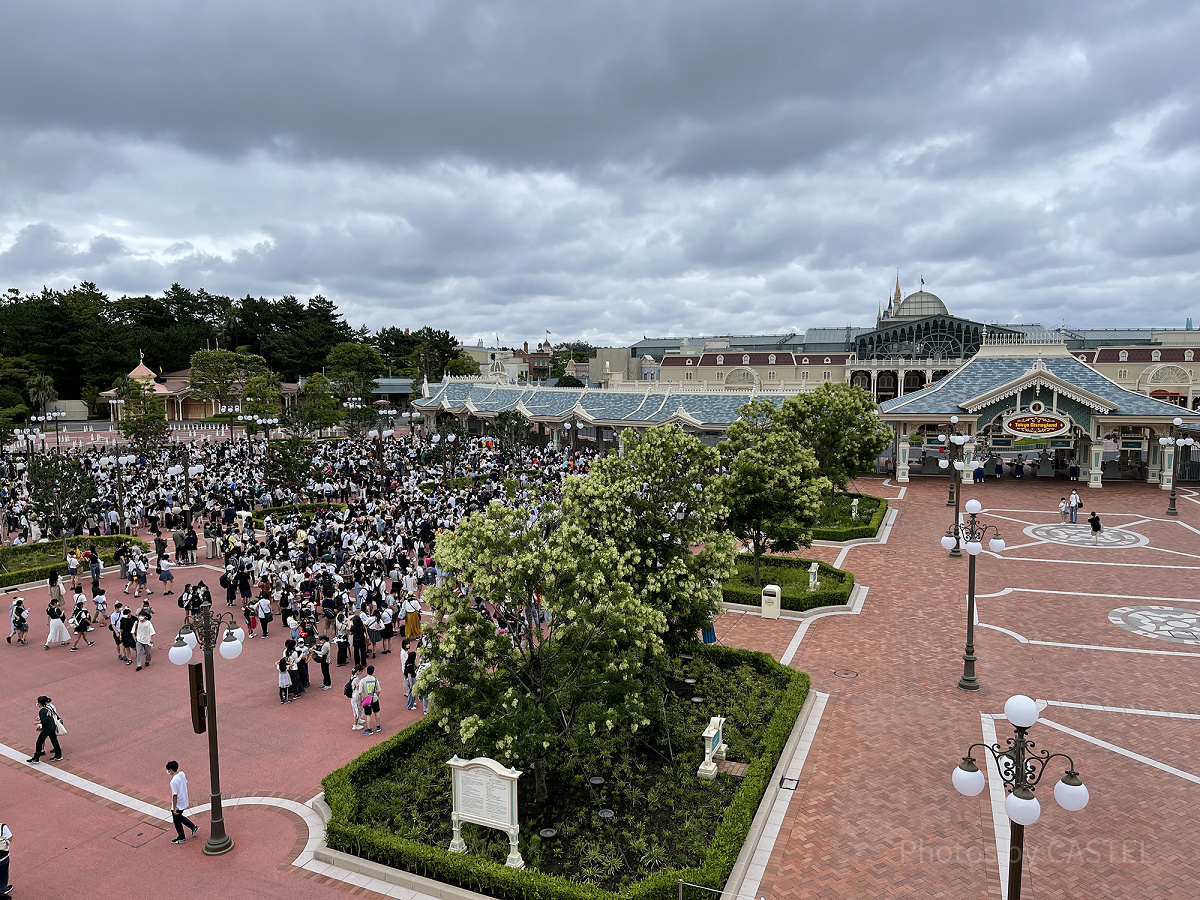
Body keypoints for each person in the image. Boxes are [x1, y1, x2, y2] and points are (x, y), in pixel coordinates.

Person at [165, 761, 198, 844]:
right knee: (179, 818)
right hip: (184, 799)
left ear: (170, 770)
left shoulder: (173, 782)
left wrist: (175, 808)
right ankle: (192, 827)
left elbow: (175, 795)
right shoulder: (182, 774)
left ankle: (182, 837)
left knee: (176, 820)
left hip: (178, 803)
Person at [26, 696, 63, 764]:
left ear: (40, 703)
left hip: (46, 729)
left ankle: (36, 758)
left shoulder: (42, 711)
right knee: (54, 741)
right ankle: (58, 755)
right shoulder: (49, 708)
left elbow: (45, 721)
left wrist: (38, 722)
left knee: (39, 743)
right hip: (52, 727)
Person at [358, 664, 381, 735]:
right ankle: (378, 727)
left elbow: (360, 692)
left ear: (366, 671)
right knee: (376, 712)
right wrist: (377, 697)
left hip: (367, 700)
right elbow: (378, 690)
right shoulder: (375, 680)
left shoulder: (362, 680)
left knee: (368, 714)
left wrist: (361, 699)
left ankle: (369, 729)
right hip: (374, 698)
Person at [1, 819, 11, 896]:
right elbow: (10, 838)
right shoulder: (2, 827)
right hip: (3, 857)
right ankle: (2, 890)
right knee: (3, 874)